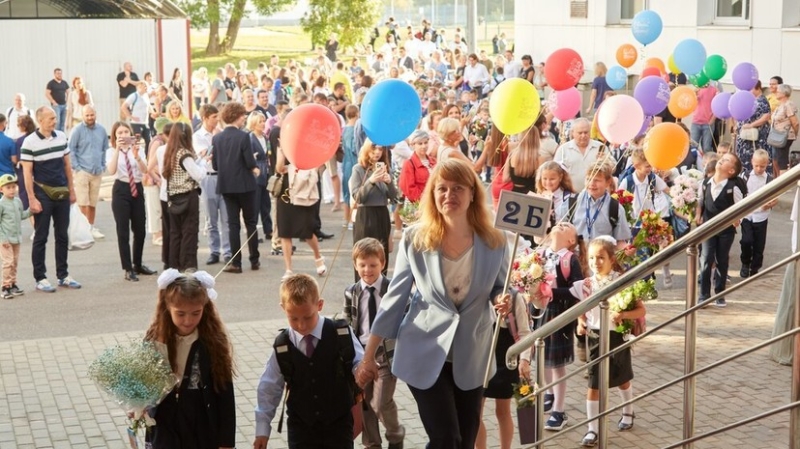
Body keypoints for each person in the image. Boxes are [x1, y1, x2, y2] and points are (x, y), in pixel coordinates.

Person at [356, 158, 512, 449]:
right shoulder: (415, 239)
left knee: (464, 442)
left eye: (457, 188)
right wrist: (368, 356)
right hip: (423, 351)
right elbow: (394, 300)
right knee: (445, 439)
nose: (449, 195)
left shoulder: (496, 241)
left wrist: (503, 299)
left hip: (472, 355)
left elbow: (501, 287)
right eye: (441, 188)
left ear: (472, 194)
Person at [551, 236, 645, 447]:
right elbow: (579, 306)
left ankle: (628, 411)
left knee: (621, 377)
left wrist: (622, 315)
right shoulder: (586, 284)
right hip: (594, 337)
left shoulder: (622, 282)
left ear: (612, 259)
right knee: (594, 384)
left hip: (616, 336)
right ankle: (592, 429)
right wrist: (580, 321)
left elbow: (640, 309)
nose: (596, 262)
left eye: (601, 257)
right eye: (592, 258)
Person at [254, 273, 363, 449]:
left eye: (307, 317)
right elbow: (269, 387)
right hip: (301, 428)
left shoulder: (341, 333)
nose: (301, 325)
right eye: (293, 318)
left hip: (338, 425)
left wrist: (362, 371)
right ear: (283, 308)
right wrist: (262, 429)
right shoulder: (283, 345)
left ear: (319, 305)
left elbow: (359, 361)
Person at [145, 269, 235, 448]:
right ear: (167, 308)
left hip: (200, 424)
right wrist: (138, 405)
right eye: (180, 313)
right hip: (164, 424)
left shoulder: (212, 341)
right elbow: (143, 381)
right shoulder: (154, 339)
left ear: (205, 308)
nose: (188, 320)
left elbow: (224, 393)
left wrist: (226, 442)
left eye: (196, 313)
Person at [342, 238, 405, 449]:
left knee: (380, 402)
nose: (367, 270)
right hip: (361, 356)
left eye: (372, 265)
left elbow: (402, 320)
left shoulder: (392, 289)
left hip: (386, 355)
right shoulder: (351, 292)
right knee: (365, 404)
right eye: (362, 265)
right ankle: (371, 443)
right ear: (355, 265)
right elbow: (349, 326)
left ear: (383, 264)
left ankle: (395, 435)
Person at [526, 222, 587, 432]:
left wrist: (553, 294)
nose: (561, 224)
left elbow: (577, 290)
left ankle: (559, 411)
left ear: (571, 240)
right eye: (560, 223)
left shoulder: (570, 259)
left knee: (557, 363)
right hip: (539, 312)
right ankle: (549, 394)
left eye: (567, 226)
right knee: (543, 357)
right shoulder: (540, 253)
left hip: (559, 314)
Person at [20, 106, 81, 292]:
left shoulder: (61, 136)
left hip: (62, 193)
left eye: (55, 118)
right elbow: (27, 172)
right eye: (51, 118)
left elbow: (67, 166)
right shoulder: (29, 142)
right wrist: (32, 198)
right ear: (40, 120)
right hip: (42, 195)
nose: (55, 121)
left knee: (62, 236)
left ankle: (63, 275)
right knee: (41, 236)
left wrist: (72, 190)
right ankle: (40, 278)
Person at [476, 289, 533, 449]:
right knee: (474, 413)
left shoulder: (515, 297)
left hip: (506, 357)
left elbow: (525, 333)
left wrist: (524, 360)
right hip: (480, 355)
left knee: (502, 411)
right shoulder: (477, 289)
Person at [211, 103, 261, 273]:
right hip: (245, 184)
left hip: (227, 185)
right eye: (242, 116)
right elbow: (249, 162)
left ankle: (236, 262)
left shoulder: (217, 138)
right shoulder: (243, 137)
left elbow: (215, 165)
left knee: (233, 224)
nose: (244, 119)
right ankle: (254, 259)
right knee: (251, 222)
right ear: (237, 117)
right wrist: (253, 164)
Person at [274, 120, 327, 279]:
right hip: (286, 190)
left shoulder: (310, 144)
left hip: (304, 189)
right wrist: (282, 151)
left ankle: (318, 256)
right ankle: (288, 268)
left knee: (307, 230)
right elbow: (279, 168)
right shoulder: (283, 143)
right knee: (285, 231)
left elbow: (319, 165)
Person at [106, 121, 156, 281]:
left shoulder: (138, 149)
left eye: (126, 132)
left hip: (137, 188)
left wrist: (136, 156)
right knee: (123, 231)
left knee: (140, 229)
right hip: (121, 189)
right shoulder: (111, 151)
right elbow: (111, 170)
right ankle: (127, 268)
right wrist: (117, 150)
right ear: (114, 135)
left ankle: (138, 264)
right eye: (119, 133)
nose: (123, 135)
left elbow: (145, 170)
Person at [696, 152, 745, 307]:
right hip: (708, 228)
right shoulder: (705, 183)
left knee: (721, 260)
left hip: (726, 230)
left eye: (727, 160)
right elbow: (700, 201)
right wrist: (698, 214)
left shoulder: (733, 188)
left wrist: (738, 220)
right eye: (722, 158)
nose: (721, 160)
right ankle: (704, 295)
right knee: (706, 259)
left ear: (731, 171)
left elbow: (741, 207)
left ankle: (720, 293)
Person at [349, 139, 397, 281]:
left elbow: (394, 197)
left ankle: (381, 291)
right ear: (366, 149)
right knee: (363, 253)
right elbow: (358, 197)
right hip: (365, 216)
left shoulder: (385, 167)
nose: (377, 152)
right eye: (374, 148)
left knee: (381, 254)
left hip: (382, 214)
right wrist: (371, 181)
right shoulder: (358, 169)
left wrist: (389, 183)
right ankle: (360, 288)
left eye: (381, 149)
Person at [163, 122, 206, 272]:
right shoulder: (184, 154)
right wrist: (205, 163)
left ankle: (174, 264)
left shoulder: (170, 152)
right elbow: (199, 175)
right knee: (189, 231)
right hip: (188, 196)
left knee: (175, 233)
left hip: (174, 197)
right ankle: (188, 263)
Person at [192, 105, 230, 265]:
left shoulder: (222, 133)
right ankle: (214, 250)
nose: (217, 119)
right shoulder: (199, 136)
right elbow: (206, 154)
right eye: (214, 117)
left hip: (223, 176)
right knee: (211, 218)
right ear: (205, 118)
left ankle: (228, 251)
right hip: (208, 178)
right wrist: (215, 141)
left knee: (226, 218)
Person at [564, 161, 632, 248]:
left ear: (608, 182)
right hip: (577, 257)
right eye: (588, 179)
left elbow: (619, 242)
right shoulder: (572, 202)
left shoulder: (615, 208)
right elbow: (559, 231)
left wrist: (626, 249)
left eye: (597, 180)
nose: (592, 184)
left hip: (601, 257)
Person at [67, 105, 108, 240]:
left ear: (95, 114)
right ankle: (82, 229)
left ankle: (91, 227)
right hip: (82, 171)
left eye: (92, 115)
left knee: (93, 203)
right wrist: (77, 168)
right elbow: (71, 150)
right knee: (82, 202)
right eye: (87, 115)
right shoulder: (77, 130)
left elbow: (104, 149)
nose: (90, 117)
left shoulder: (101, 130)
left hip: (97, 171)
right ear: (83, 116)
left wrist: (102, 165)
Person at [739, 149, 777, 279]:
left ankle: (755, 268)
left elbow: (775, 197)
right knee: (746, 240)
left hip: (761, 216)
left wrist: (771, 203)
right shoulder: (745, 176)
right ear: (752, 162)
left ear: (768, 164)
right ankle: (745, 263)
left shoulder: (770, 179)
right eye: (757, 165)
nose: (759, 169)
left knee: (759, 245)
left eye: (763, 166)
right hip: (747, 215)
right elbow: (739, 194)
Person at [553, 118, 607, 191]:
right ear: (573, 133)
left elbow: (613, 169)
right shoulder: (563, 149)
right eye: (580, 133)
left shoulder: (600, 148)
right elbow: (554, 171)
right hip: (570, 195)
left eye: (586, 132)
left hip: (595, 195)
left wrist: (605, 162)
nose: (583, 135)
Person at [0, 174, 30, 299]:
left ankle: (13, 284)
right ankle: (5, 286)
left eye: (13, 187)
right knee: (8, 262)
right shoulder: (1, 204)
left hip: (16, 238)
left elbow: (21, 215)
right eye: (8, 187)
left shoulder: (18, 201)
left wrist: (31, 211)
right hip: (5, 240)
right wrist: (3, 238)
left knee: (15, 262)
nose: (12, 190)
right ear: (1, 189)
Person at [734, 80, 771, 175]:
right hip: (745, 138)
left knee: (754, 159)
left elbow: (766, 116)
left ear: (757, 88)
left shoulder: (762, 101)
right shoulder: (750, 100)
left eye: (750, 89)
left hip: (755, 138)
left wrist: (751, 125)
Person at [246, 111, 272, 243]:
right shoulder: (250, 138)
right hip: (255, 173)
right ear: (253, 123)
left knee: (265, 203)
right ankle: (253, 233)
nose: (263, 124)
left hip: (265, 172)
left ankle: (269, 230)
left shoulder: (265, 137)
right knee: (254, 205)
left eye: (263, 121)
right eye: (260, 122)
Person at [146, 118, 170, 247]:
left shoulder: (160, 141)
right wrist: (158, 179)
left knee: (160, 208)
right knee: (155, 208)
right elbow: (152, 164)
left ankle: (161, 233)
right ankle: (157, 235)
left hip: (157, 179)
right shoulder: (157, 142)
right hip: (153, 181)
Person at [769, 84, 799, 177]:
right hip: (776, 135)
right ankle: (777, 179)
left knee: (782, 160)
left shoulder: (788, 105)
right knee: (776, 158)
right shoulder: (780, 105)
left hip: (784, 136)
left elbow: (795, 122)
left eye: (778, 91)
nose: (776, 93)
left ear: (784, 93)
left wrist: (795, 134)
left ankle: (782, 181)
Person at [399, 130, 435, 204]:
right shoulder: (409, 163)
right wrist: (423, 200)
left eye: (426, 142)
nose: (424, 146)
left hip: (433, 202)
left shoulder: (434, 161)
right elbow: (408, 188)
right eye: (420, 143)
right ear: (413, 145)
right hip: (417, 204)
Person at [120, 81, 152, 152]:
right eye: (144, 86)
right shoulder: (134, 96)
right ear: (139, 87)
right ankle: (123, 145)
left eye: (146, 86)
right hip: (136, 123)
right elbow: (123, 107)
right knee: (136, 141)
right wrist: (131, 116)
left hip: (145, 122)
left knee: (149, 140)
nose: (146, 88)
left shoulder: (146, 96)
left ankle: (147, 158)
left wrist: (154, 113)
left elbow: (149, 107)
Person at [691, 83, 718, 154]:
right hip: (696, 122)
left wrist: (713, 119)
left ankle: (706, 163)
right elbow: (691, 103)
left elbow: (718, 105)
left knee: (706, 147)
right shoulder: (696, 89)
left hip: (708, 123)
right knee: (693, 146)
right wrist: (694, 94)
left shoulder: (714, 89)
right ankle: (694, 163)